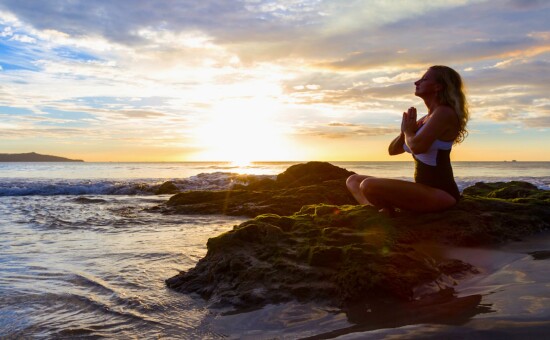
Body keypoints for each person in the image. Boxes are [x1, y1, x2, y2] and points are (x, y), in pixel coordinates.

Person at [346, 65, 469, 213]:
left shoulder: (444, 113)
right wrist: (403, 132)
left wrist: (408, 131)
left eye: (423, 79)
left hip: (441, 194)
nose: (417, 82)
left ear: (438, 86)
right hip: (422, 190)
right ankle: (380, 212)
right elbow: (393, 150)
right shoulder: (427, 118)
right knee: (353, 180)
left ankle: (384, 212)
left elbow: (417, 147)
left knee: (368, 185)